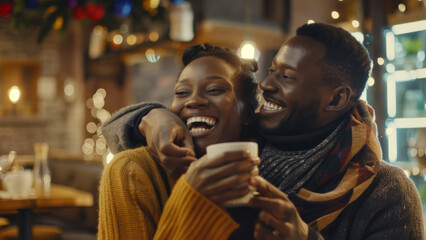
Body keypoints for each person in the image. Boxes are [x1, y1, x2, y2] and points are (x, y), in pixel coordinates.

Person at [102, 23, 424, 239]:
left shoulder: (386, 191)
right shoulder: (243, 138)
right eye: (272, 71)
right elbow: (118, 129)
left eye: (287, 77)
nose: (267, 85)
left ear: (337, 98)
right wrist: (153, 117)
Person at [97, 43, 261, 239]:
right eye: (182, 92)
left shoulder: (271, 172)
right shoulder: (134, 170)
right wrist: (191, 198)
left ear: (248, 114)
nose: (193, 100)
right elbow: (109, 127)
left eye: (215, 89)